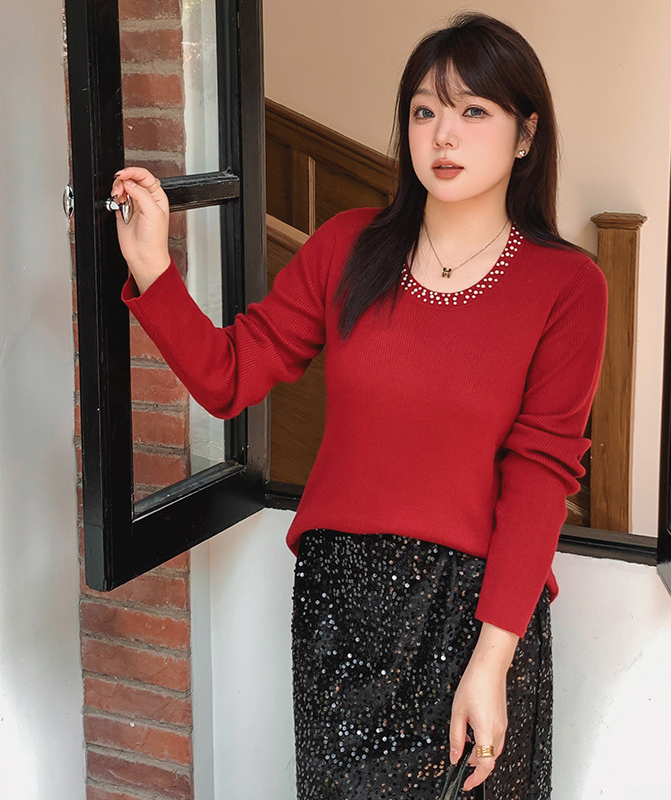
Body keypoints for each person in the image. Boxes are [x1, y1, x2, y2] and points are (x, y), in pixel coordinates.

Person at [111, 12, 607, 799]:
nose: (444, 134)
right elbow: (228, 377)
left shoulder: (568, 286)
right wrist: (154, 269)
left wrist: (492, 659)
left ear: (525, 134)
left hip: (472, 613)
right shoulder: (346, 246)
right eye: (424, 110)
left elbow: (541, 474)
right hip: (341, 605)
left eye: (474, 110)